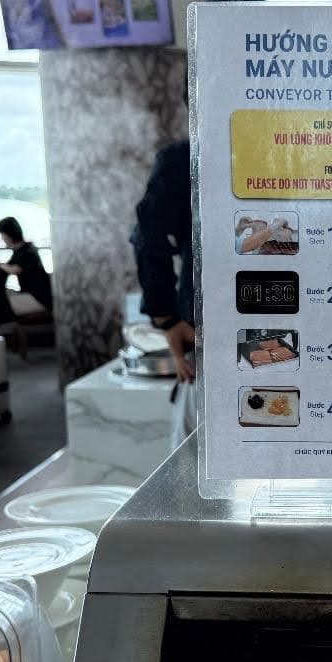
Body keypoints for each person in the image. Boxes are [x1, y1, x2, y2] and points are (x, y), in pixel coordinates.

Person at [132, 139, 195, 446]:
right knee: (194, 468)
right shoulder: (185, 155)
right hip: (205, 340)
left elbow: (147, 232)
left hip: (209, 334)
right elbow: (147, 232)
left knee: (195, 467)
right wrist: (167, 316)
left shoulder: (187, 154)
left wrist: (167, 317)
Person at [0, 217, 53, 311]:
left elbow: (14, 270)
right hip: (36, 294)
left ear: (9, 235)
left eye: (2, 235)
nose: (2, 238)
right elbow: (8, 267)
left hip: (37, 297)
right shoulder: (24, 249)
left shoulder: (26, 251)